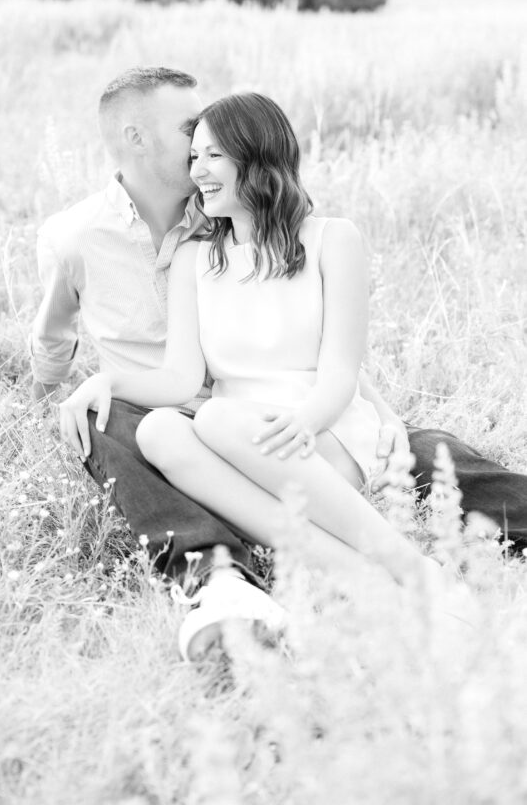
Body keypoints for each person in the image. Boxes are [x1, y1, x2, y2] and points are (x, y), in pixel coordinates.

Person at [31, 67, 527, 659]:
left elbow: (340, 366)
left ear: (255, 156)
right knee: (155, 425)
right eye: (192, 148)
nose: (197, 169)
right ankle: (356, 583)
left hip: (310, 429)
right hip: (222, 429)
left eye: (212, 152)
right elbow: (172, 377)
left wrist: (336, 418)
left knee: (424, 449)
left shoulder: (330, 239)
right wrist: (97, 380)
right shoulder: (170, 253)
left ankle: (415, 567)